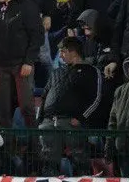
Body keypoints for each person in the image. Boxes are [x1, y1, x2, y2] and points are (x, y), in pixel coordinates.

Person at [0, 0, 44, 128]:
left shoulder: (27, 7)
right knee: (3, 109)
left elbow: (36, 36)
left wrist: (29, 61)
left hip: (21, 64)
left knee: (27, 107)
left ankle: (34, 147)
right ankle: (8, 148)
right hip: (1, 66)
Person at [38, 37, 102, 175]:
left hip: (72, 123)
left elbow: (96, 98)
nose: (60, 55)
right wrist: (41, 119)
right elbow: (44, 95)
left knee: (80, 162)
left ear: (74, 52)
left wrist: (81, 117)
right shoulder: (57, 72)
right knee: (48, 163)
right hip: (49, 123)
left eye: (63, 51)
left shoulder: (90, 71)